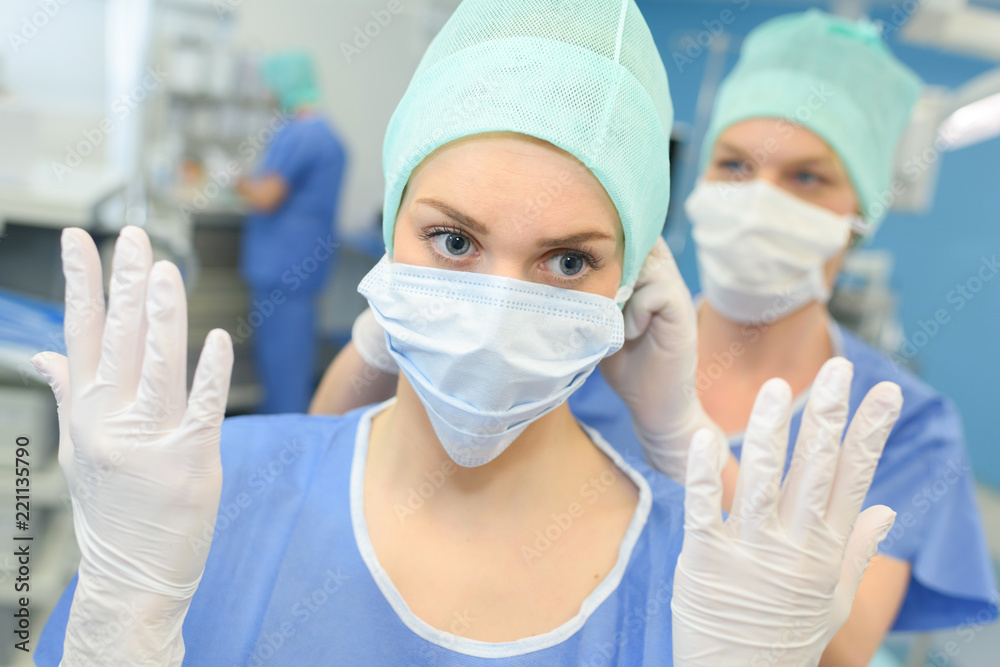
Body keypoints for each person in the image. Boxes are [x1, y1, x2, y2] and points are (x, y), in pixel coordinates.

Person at [34, 2, 901, 664]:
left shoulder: (709, 577)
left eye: (567, 261)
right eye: (453, 241)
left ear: (633, 287)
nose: (495, 307)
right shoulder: (210, 495)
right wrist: (122, 610)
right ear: (391, 234)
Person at [310, 9, 999, 666]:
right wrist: (390, 331)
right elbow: (343, 475)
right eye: (734, 164)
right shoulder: (589, 336)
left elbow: (840, 650)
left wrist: (678, 433)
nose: (759, 196)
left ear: (864, 211)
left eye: (807, 177)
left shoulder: (903, 425)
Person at [235, 51, 346, 414]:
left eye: (270, 86)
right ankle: (278, 438)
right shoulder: (323, 135)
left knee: (284, 368)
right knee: (282, 363)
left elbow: (267, 196)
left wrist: (231, 178)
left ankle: (285, 449)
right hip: (294, 268)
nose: (267, 94)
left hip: (286, 270)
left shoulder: (303, 135)